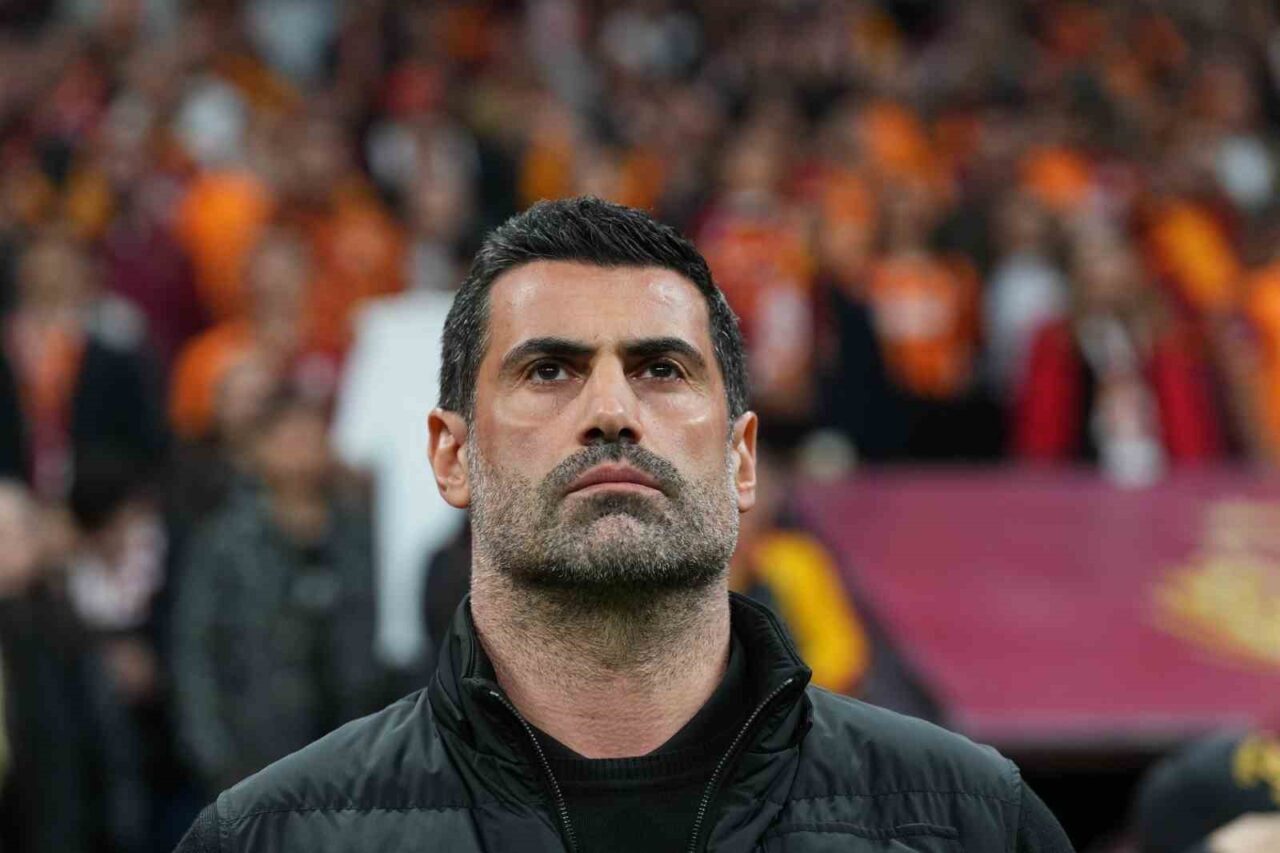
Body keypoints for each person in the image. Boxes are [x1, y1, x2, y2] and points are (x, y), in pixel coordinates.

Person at [175, 197, 1073, 851]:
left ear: (743, 458)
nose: (611, 410)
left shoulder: (971, 824)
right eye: (550, 371)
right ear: (451, 455)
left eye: (660, 370)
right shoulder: (267, 838)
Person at [170, 390, 381, 799]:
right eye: (288, 436)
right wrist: (213, 756)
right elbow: (194, 650)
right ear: (258, 449)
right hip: (253, 755)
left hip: (350, 750)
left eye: (312, 434)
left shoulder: (357, 531)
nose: (302, 447)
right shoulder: (226, 540)